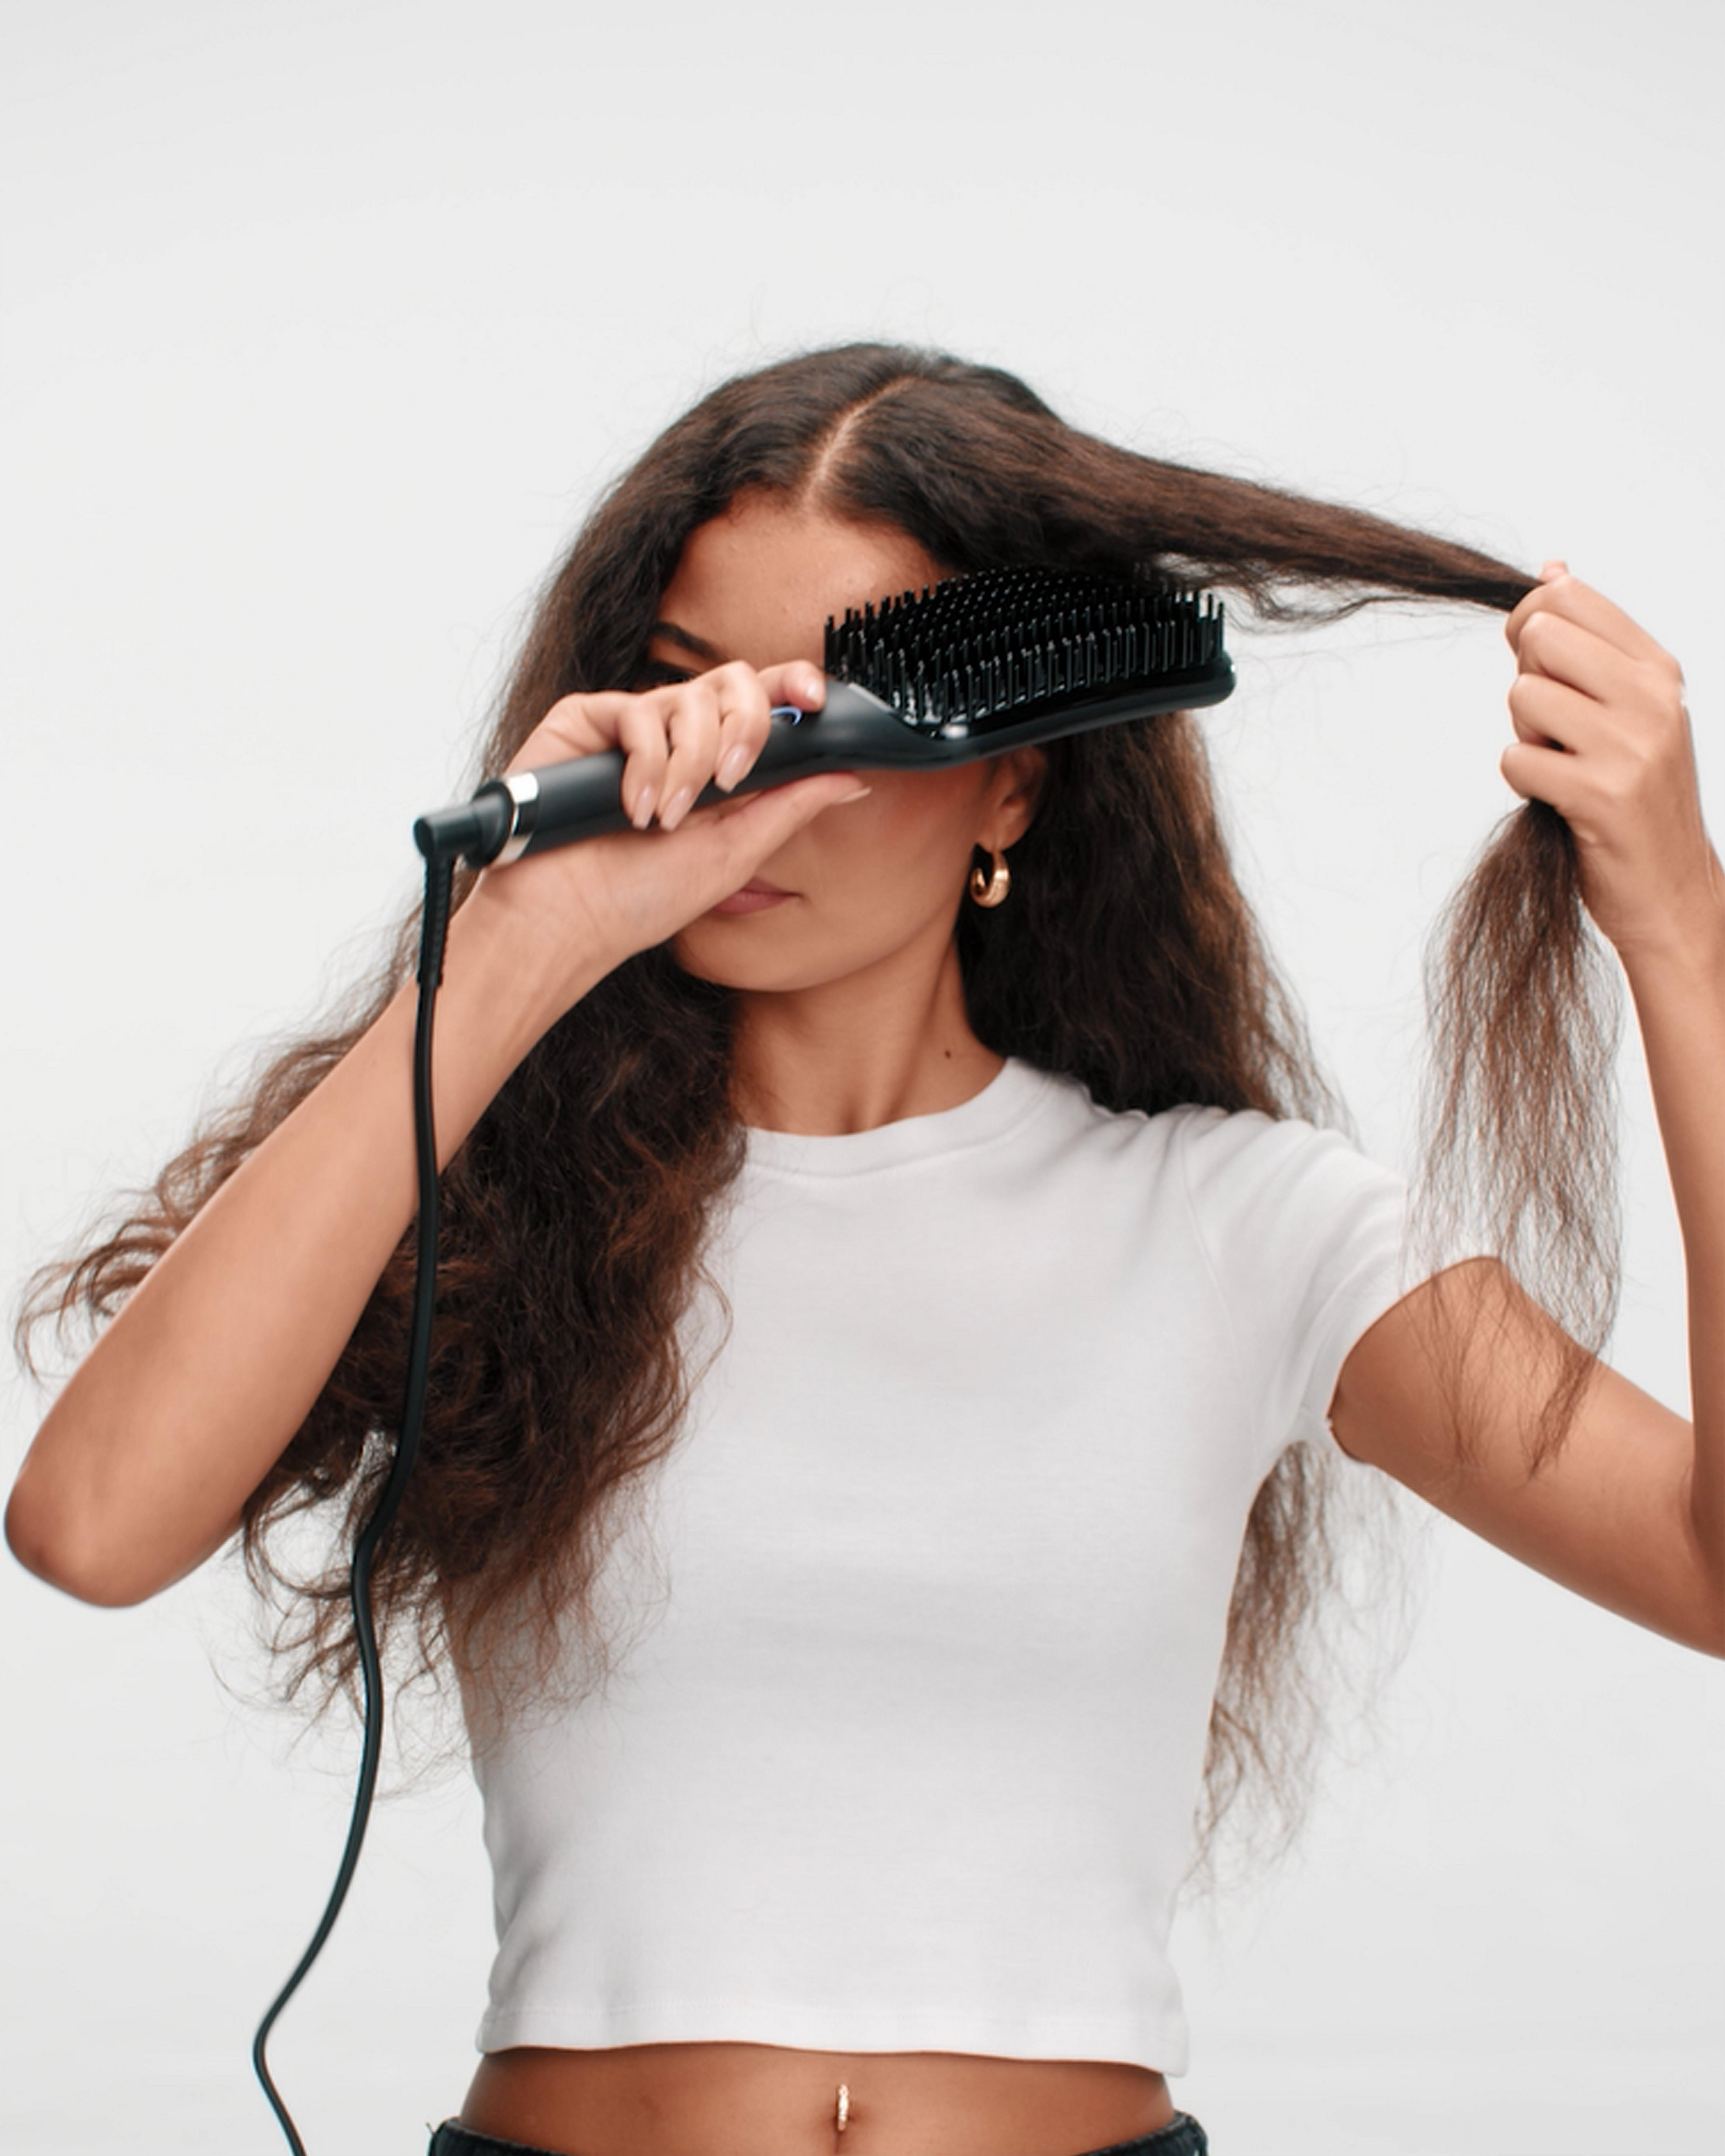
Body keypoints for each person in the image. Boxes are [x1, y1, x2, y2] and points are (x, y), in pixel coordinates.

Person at [7, 343, 1721, 2156]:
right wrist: (527, 937)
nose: (755, 773)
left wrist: (1681, 929)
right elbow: (90, 1527)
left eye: (842, 709)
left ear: (1013, 783)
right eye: (695, 695)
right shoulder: (494, 1201)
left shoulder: (1246, 1227)